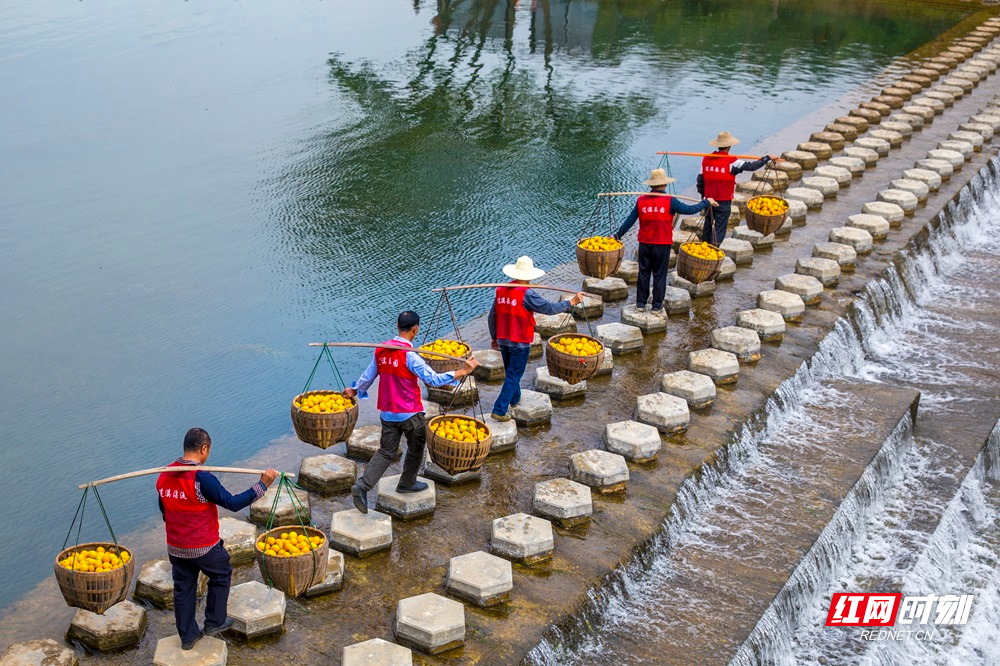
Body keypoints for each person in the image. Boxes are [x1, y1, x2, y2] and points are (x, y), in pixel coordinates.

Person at [343, 311, 478, 514]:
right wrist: (462, 372)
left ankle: (362, 486)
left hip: (388, 413)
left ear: (397, 325)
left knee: (386, 452)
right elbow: (433, 379)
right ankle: (407, 482)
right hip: (410, 413)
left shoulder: (381, 350)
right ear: (415, 329)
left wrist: (354, 390)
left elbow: (368, 375)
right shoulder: (410, 355)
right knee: (416, 448)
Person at [156, 428, 278, 650]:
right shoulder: (202, 478)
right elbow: (232, 503)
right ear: (204, 449)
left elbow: (164, 510)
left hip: (176, 546)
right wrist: (262, 485)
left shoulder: (164, 474)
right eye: (208, 450)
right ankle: (214, 621)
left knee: (183, 589)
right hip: (203, 546)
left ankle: (188, 636)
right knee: (221, 573)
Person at [487, 256, 583, 421]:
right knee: (514, 374)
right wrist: (571, 302)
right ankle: (499, 409)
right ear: (529, 276)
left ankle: (514, 399)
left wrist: (494, 336)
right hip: (519, 341)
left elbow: (492, 316)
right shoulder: (527, 293)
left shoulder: (501, 290)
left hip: (504, 339)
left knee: (511, 371)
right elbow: (548, 308)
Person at [613, 168, 716, 311]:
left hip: (645, 244)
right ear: (665, 185)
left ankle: (640, 304)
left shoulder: (641, 200)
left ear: (651, 185)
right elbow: (689, 210)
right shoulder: (670, 201)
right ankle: (656, 306)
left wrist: (617, 236)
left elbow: (630, 220)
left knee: (643, 273)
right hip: (662, 244)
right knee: (659, 275)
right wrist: (706, 202)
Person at [699, 130, 778, 244]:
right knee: (719, 228)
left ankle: (704, 245)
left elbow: (700, 180)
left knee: (708, 223)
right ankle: (714, 249)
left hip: (708, 200)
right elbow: (751, 166)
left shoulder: (706, 159)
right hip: (723, 201)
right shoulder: (732, 161)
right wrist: (767, 158)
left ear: (718, 145)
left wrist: (703, 195)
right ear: (729, 146)